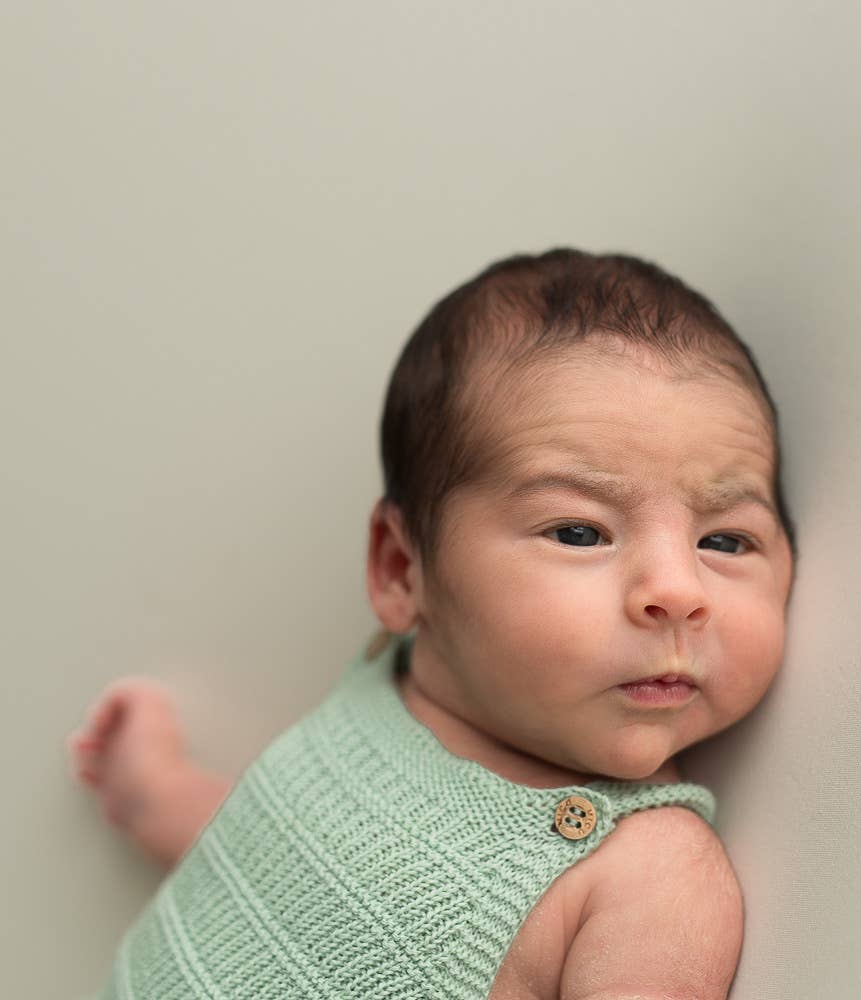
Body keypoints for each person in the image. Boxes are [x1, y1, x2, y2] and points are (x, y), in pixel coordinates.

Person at [69, 248, 797, 999]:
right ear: (402, 570)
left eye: (725, 542)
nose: (677, 592)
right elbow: (272, 855)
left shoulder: (653, 878)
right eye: (579, 532)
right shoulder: (378, 696)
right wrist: (156, 792)